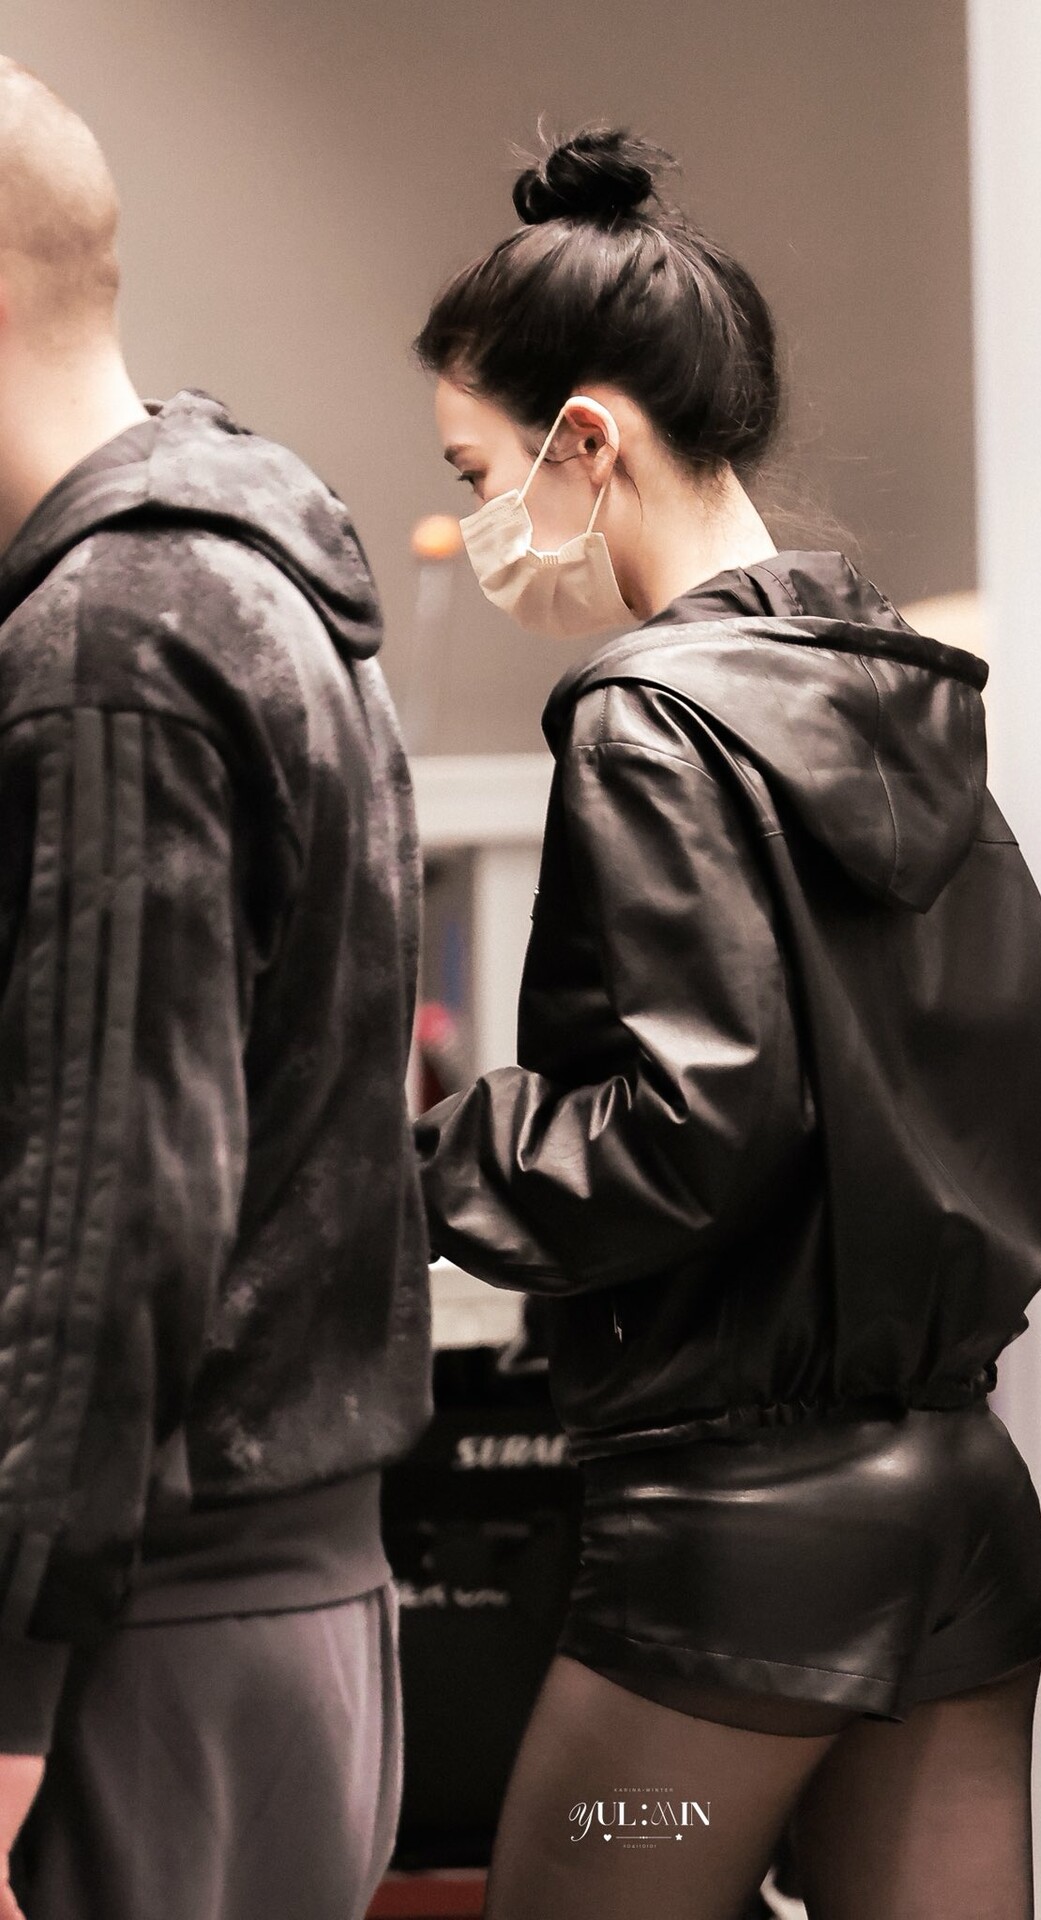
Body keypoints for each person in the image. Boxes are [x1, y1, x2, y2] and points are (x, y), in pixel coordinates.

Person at [413, 127, 1041, 1920]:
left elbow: (691, 1125)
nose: (477, 520)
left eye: (476, 471)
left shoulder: (647, 719)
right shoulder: (908, 704)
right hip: (956, 1504)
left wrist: (425, 1163)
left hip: (735, 1557)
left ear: (587, 441)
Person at [0, 60, 431, 1920]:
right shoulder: (252, 579)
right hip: (273, 1610)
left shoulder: (108, 639)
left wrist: (6, 1694)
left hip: (137, 1648)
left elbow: (105, 1217)